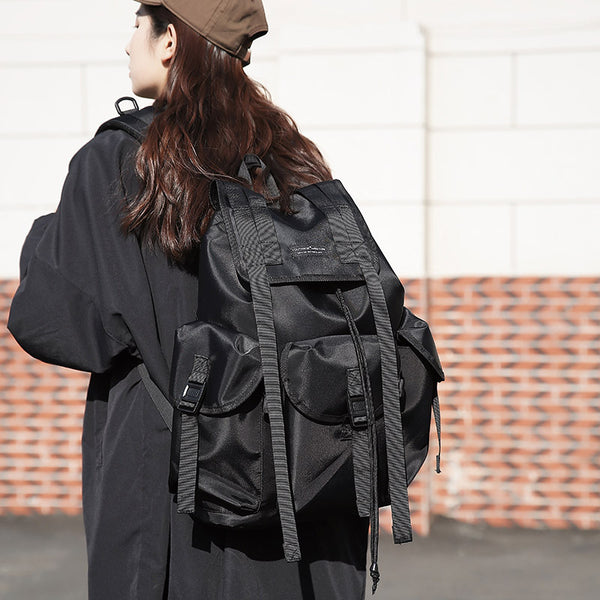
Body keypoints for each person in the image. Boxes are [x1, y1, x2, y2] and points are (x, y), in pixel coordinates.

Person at [8, 1, 370, 599]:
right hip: (297, 489)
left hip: (173, 498)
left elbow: (57, 323)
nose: (129, 43)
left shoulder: (121, 159)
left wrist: (49, 235)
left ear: (170, 39)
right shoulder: (293, 158)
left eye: (137, 25)